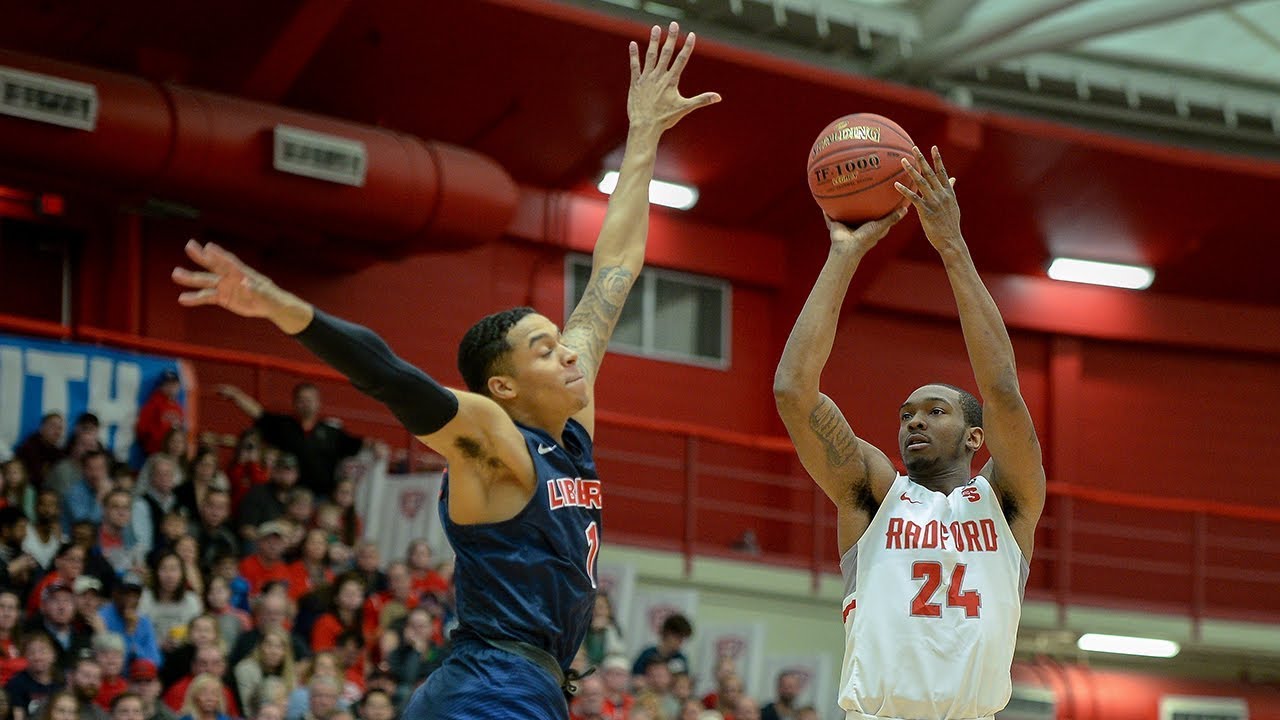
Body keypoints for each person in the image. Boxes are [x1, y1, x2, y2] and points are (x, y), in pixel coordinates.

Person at [171, 21, 717, 720]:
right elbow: (392, 379)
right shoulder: (493, 439)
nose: (570, 352)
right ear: (503, 386)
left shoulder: (569, 423)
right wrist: (283, 307)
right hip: (492, 686)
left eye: (560, 340)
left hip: (523, 685)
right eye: (544, 350)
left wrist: (642, 133)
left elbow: (615, 265)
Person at [772, 146, 1046, 720]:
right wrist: (843, 256)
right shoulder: (875, 494)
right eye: (905, 413)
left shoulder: (1006, 501)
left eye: (935, 411)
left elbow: (1002, 391)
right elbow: (794, 392)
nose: (914, 420)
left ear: (976, 437)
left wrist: (952, 247)